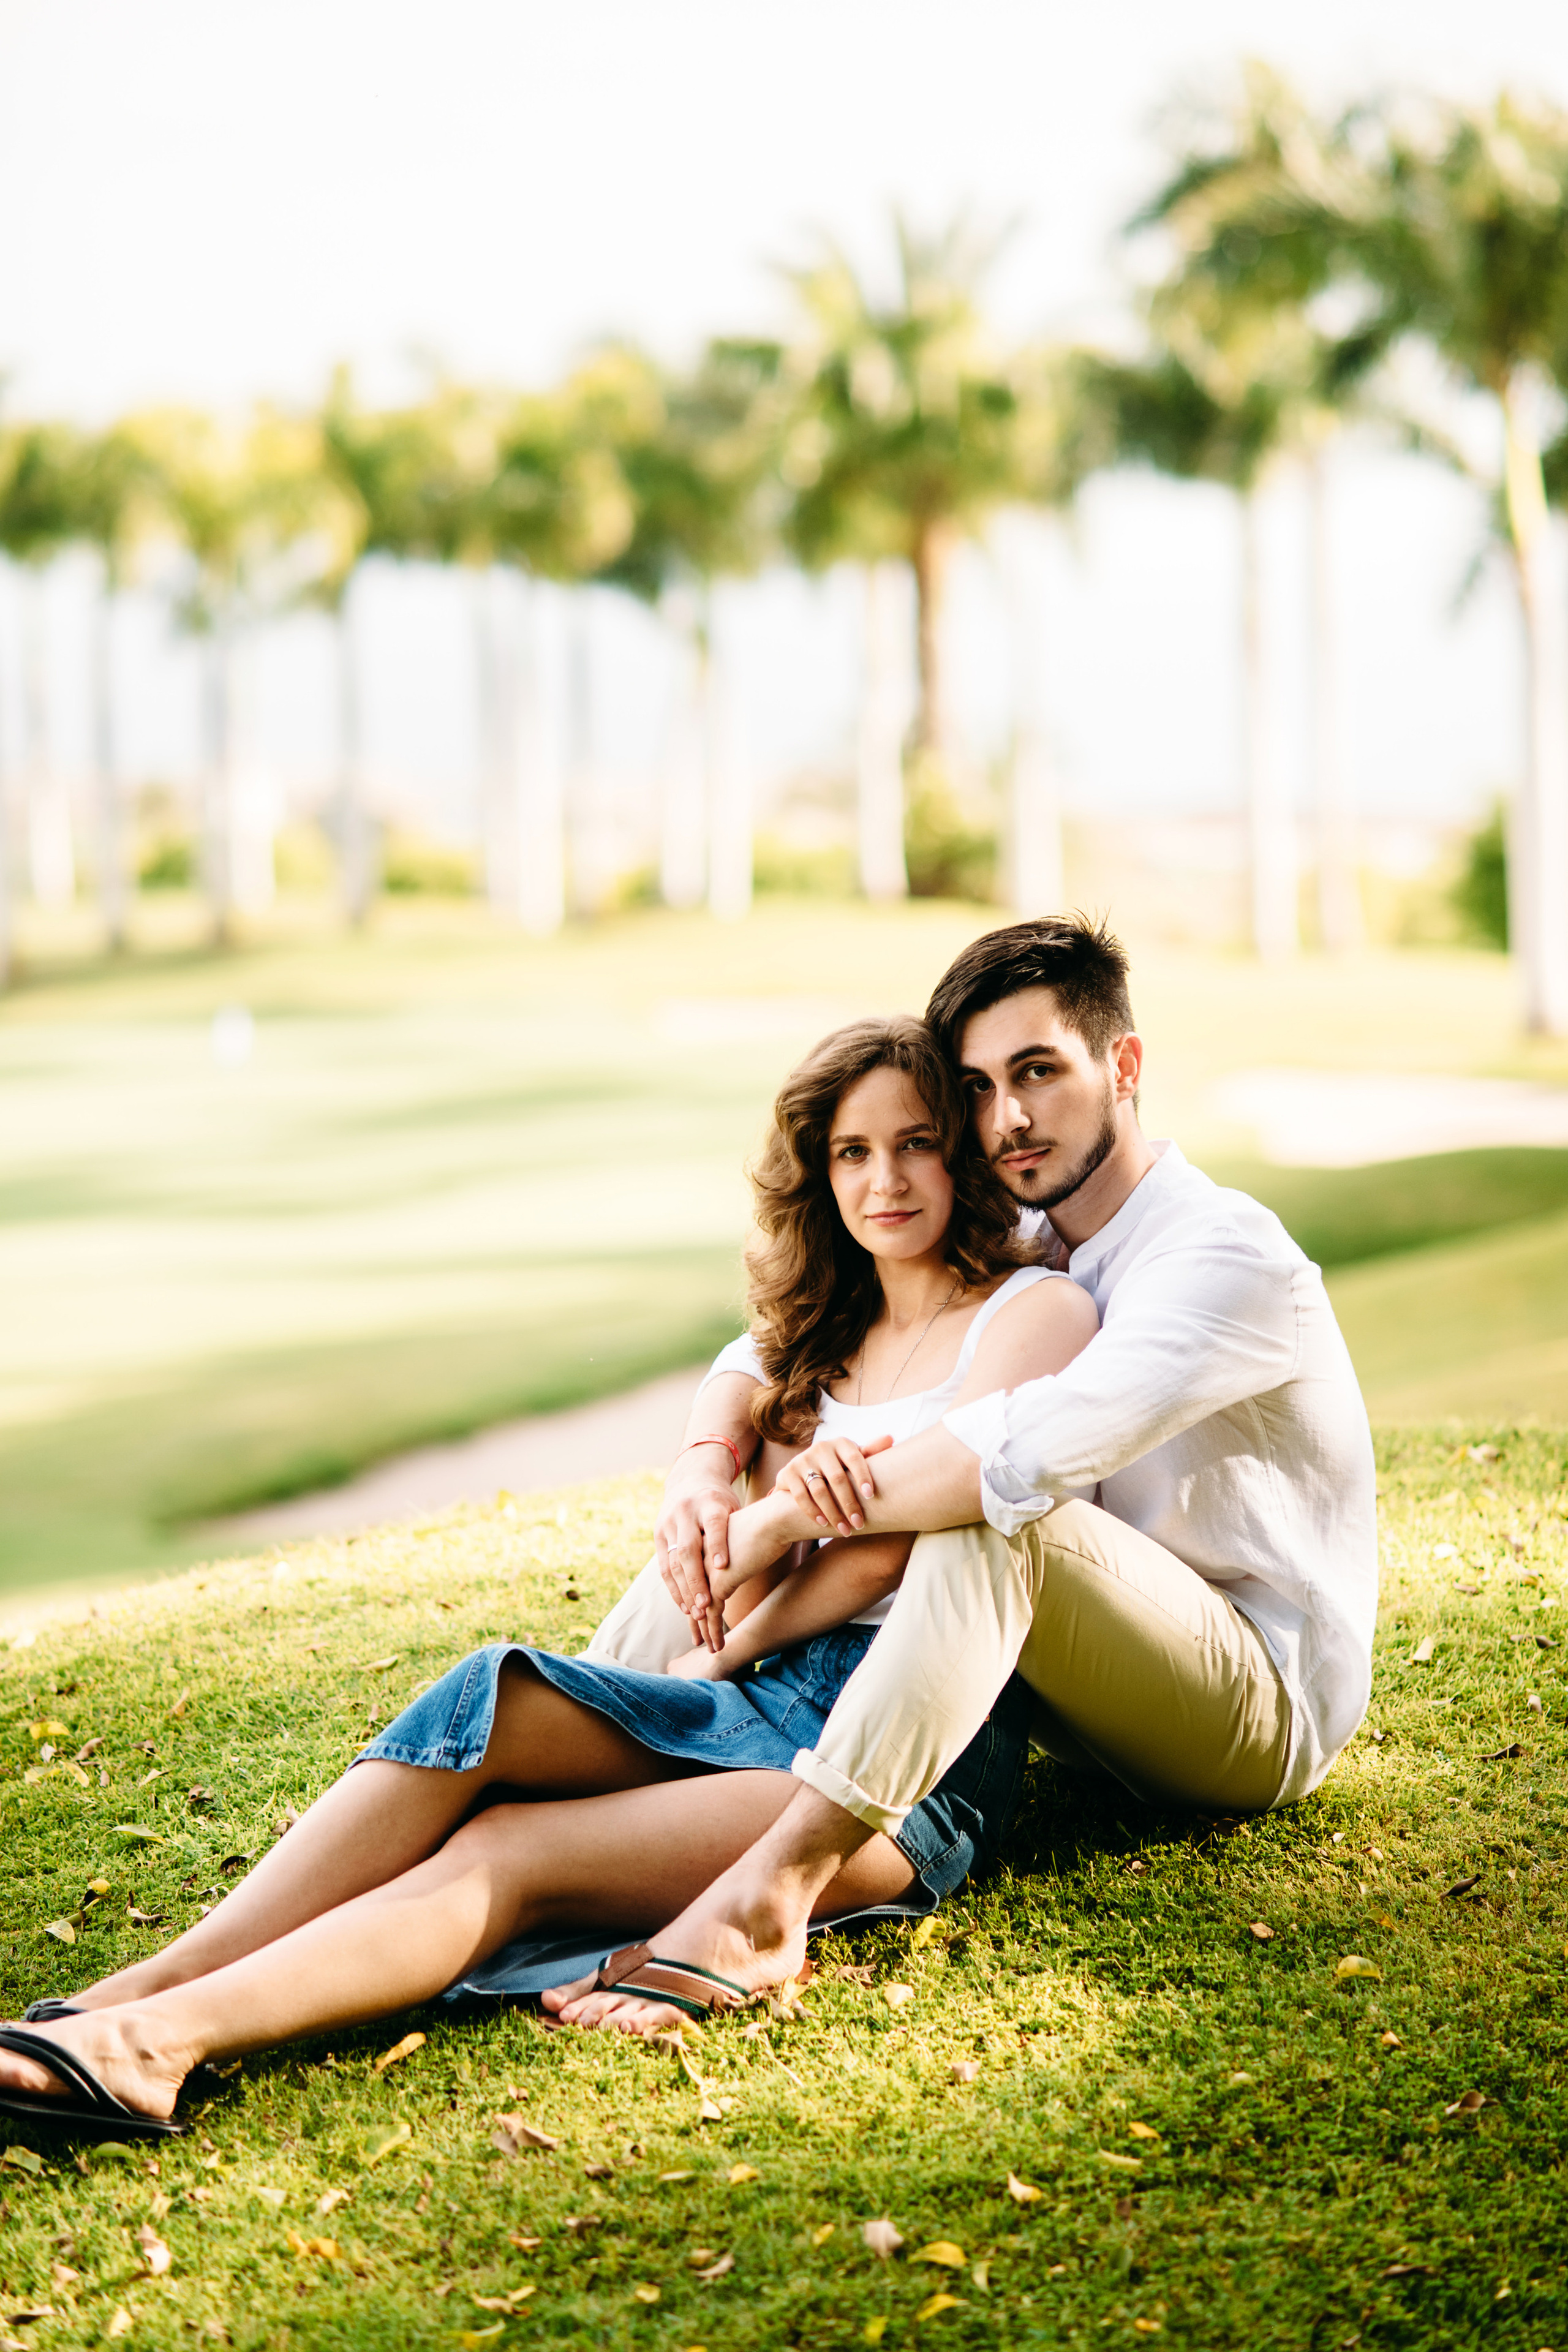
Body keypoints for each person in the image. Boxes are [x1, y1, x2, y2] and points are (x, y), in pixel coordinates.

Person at [0, 1016, 1095, 2133]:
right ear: (819, 1173)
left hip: (902, 1754)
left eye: (914, 1144)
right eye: (852, 1153)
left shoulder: (1034, 1314)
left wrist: (741, 1621)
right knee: (495, 1694)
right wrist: (707, 1474)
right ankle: (121, 1995)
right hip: (758, 1699)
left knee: (511, 1850)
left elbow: (921, 1524)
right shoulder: (823, 1335)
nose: (886, 1180)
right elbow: (735, 1390)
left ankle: (154, 2045)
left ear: (960, 1153)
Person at [549, 914, 1378, 2038]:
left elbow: (1012, 1458)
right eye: (980, 1089)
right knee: (750, 1525)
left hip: (1250, 1703)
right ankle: (576, 1737)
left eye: (1038, 1072)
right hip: (1077, 1687)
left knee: (1000, 1513)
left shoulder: (1219, 1258)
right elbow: (772, 1345)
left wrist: (780, 1521)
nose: (1008, 1119)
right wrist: (709, 1469)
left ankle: (770, 1898)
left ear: (1123, 1066)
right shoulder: (1037, 1224)